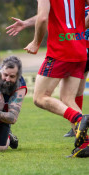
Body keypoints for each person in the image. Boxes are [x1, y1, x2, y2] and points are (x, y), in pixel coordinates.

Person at [23, 0, 89, 157]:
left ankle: (79, 118)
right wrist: (80, 28)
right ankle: (85, 144)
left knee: (39, 98)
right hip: (80, 48)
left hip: (60, 51)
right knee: (68, 99)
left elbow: (42, 18)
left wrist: (36, 42)